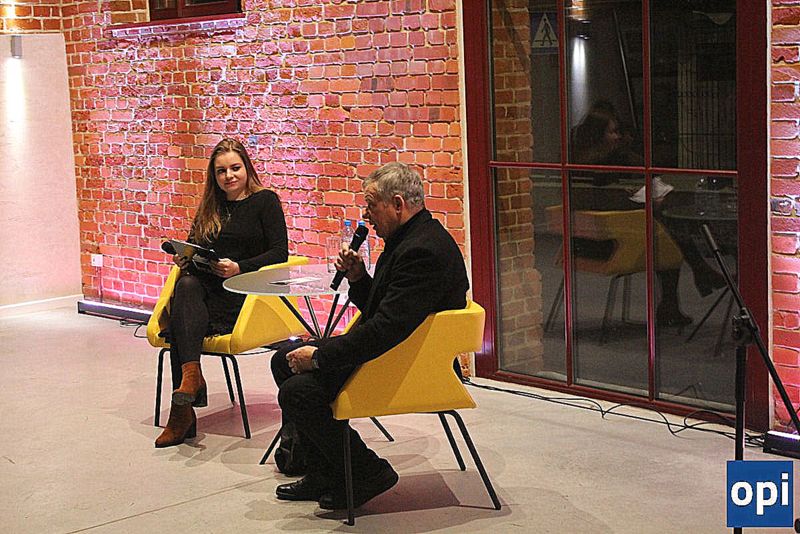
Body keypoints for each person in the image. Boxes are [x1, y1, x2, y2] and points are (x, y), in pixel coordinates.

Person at [270, 162, 469, 510]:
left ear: (397, 204)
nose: (366, 214)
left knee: (298, 391)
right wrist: (359, 278)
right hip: (398, 350)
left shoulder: (422, 251)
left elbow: (384, 330)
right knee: (283, 361)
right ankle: (325, 472)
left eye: (371, 205)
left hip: (408, 364)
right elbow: (386, 312)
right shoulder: (410, 238)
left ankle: (367, 471)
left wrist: (319, 357)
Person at [155, 138, 289, 448]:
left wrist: (239, 267)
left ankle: (182, 414)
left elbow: (279, 253)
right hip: (203, 292)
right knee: (186, 286)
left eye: (234, 168)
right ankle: (191, 377)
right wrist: (184, 258)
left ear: (247, 168)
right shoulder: (209, 207)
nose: (229, 176)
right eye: (221, 171)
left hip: (244, 297)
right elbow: (194, 245)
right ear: (213, 176)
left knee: (182, 317)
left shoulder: (265, 201)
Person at [571, 102, 724, 326]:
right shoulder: (597, 166)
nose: (617, 136)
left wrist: (625, 153)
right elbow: (605, 203)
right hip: (603, 243)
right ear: (598, 134)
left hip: (592, 238)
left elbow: (643, 174)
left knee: (667, 234)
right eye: (613, 132)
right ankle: (698, 274)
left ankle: (690, 283)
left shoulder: (594, 160)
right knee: (668, 231)